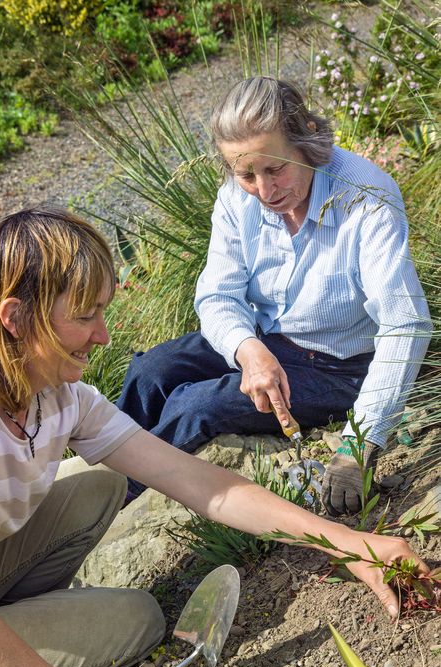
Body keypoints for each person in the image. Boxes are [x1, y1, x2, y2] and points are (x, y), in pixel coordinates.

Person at [0, 208, 430, 667]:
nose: (103, 335)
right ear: (15, 318)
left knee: (98, 486)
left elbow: (202, 484)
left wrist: (352, 544)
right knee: (138, 620)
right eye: (84, 317)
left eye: (103, 313)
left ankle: (10, 629)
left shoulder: (58, 397)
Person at [116, 76, 433, 515]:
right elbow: (216, 296)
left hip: (339, 367)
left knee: (197, 404)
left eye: (275, 169)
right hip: (265, 337)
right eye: (246, 174)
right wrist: (248, 350)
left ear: (307, 141)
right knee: (153, 371)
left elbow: (406, 324)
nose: (264, 192)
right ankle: (95, 475)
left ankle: (115, 503)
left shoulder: (367, 197)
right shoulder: (236, 197)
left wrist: (359, 443)